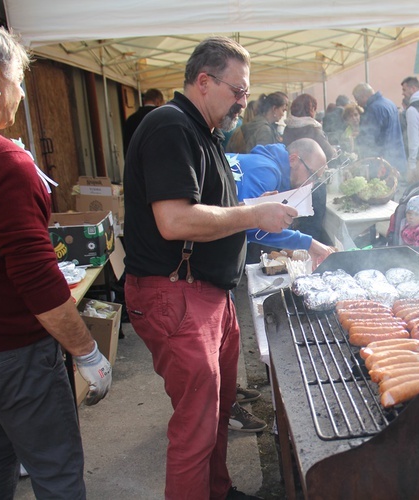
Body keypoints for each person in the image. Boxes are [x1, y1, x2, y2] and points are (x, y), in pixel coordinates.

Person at [123, 35, 297, 500]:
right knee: (196, 429)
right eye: (238, 90)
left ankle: (217, 492)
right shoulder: (171, 126)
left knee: (217, 413)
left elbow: (212, 208)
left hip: (207, 295)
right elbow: (175, 219)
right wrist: (253, 214)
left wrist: (253, 208)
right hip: (176, 294)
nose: (244, 101)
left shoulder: (204, 132)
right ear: (204, 81)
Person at [0, 10, 112, 499]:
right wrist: (87, 351)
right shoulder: (2, 160)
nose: (23, 96)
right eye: (21, 82)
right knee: (57, 471)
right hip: (12, 355)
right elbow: (37, 280)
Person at [234, 138, 336, 265]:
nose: (311, 184)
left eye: (316, 179)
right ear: (293, 159)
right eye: (312, 175)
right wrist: (309, 243)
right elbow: (248, 225)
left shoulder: (268, 166)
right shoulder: (267, 172)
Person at [352, 82, 408, 175]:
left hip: (383, 163)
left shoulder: (373, 109)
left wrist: (358, 141)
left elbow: (368, 139)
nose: (358, 104)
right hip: (397, 157)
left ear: (363, 96)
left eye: (357, 100)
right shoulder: (389, 103)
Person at [282, 94, 337, 161]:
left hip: (290, 167)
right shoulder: (313, 129)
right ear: (312, 109)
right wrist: (334, 151)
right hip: (310, 169)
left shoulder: (287, 128)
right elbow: (329, 153)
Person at [123, 88, 164, 153]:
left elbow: (127, 146)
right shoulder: (163, 118)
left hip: (137, 161)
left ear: (144, 101)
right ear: (158, 102)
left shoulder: (131, 119)